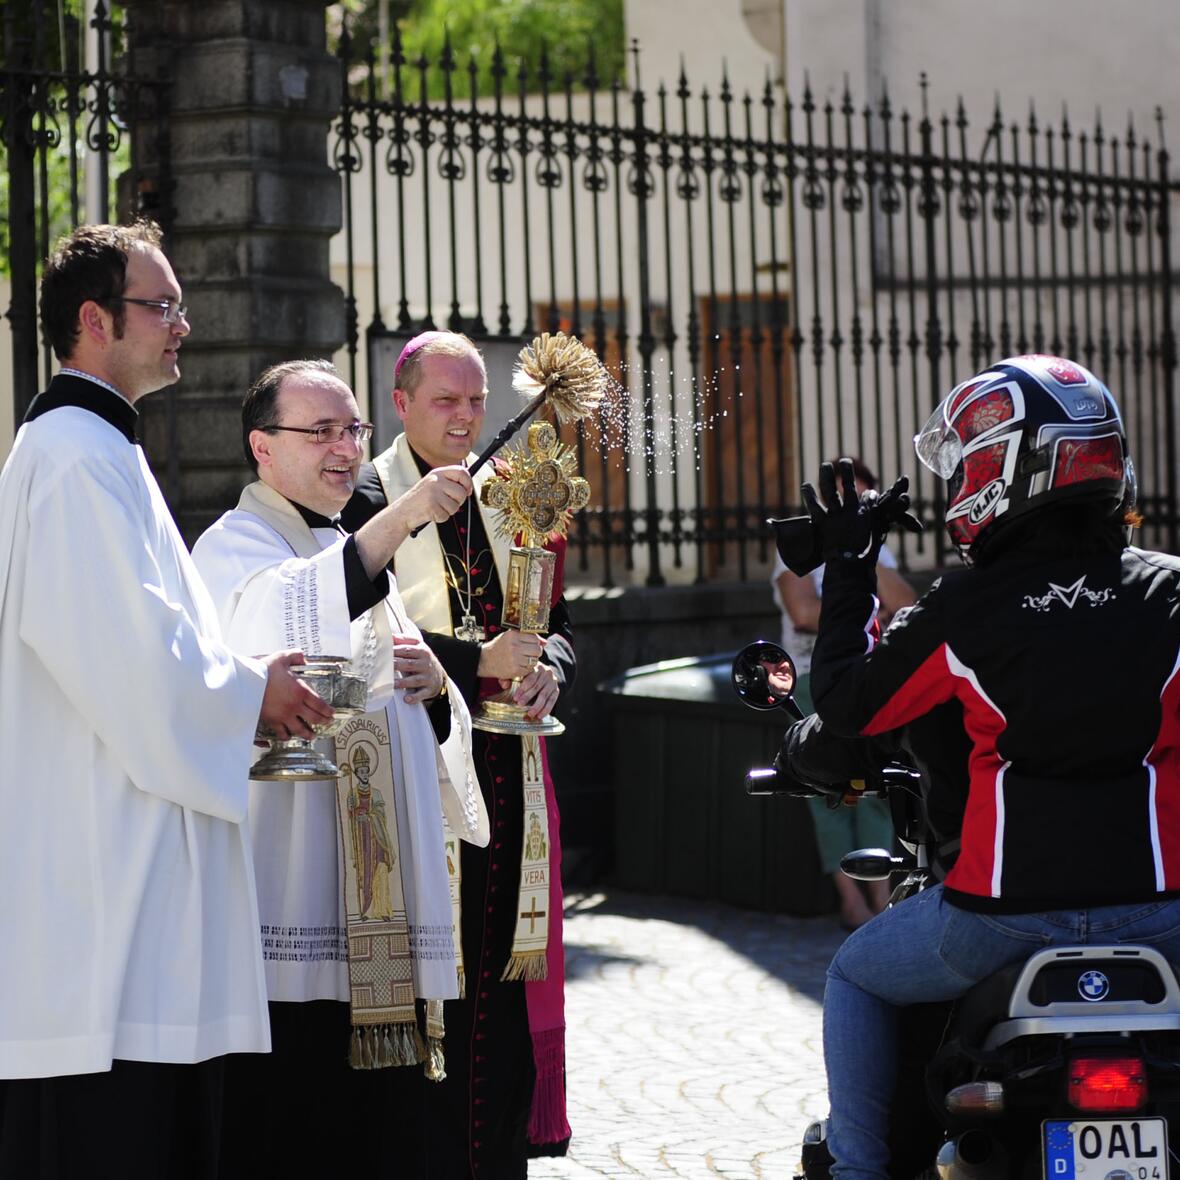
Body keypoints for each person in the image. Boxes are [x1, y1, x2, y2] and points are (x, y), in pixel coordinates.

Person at [793, 354, 1180, 1180]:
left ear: (1002, 470)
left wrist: (852, 566)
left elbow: (848, 707)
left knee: (855, 975)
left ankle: (858, 1172)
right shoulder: (1170, 591)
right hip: (1163, 912)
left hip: (1001, 914)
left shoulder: (965, 605)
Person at [0, 221, 332, 1179]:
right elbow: (125, 655)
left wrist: (238, 675)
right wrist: (251, 692)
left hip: (129, 867)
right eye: (163, 306)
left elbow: (149, 637)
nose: (183, 324)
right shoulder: (75, 455)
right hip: (106, 888)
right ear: (95, 320)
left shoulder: (98, 447)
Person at [191, 358, 487, 1175]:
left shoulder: (344, 549)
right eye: (319, 430)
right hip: (291, 892)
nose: (345, 448)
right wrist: (405, 515)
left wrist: (435, 690)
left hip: (377, 901)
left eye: (353, 430)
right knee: (294, 1123)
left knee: (379, 1132)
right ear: (263, 446)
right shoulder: (232, 548)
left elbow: (401, 682)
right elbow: (284, 615)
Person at [341, 330, 576, 1178]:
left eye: (476, 400)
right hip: (417, 784)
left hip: (509, 782)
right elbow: (361, 633)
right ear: (400, 402)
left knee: (501, 998)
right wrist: (479, 661)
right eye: (446, 400)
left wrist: (551, 669)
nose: (466, 417)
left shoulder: (511, 490)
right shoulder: (370, 499)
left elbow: (556, 622)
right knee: (433, 995)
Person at [772, 458, 917, 929]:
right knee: (826, 790)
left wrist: (864, 552)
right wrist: (861, 600)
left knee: (878, 787)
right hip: (811, 675)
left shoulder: (877, 550)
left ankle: (879, 896)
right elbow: (802, 612)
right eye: (842, 496)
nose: (850, 506)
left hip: (865, 676)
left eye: (860, 498)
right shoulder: (798, 546)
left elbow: (907, 607)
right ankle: (850, 899)